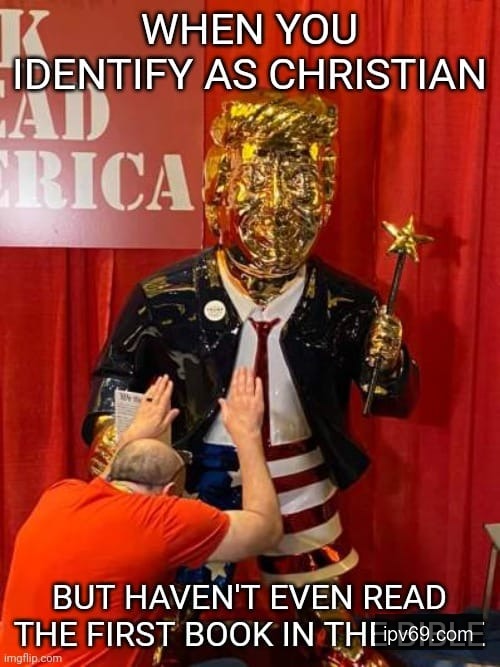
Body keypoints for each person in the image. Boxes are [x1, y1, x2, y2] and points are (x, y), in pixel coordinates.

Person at [83, 92, 417, 666]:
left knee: (320, 589)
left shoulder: (347, 303)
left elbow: (385, 398)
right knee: (178, 596)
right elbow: (116, 372)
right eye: (257, 182)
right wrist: (117, 436)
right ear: (217, 190)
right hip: (200, 471)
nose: (278, 206)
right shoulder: (167, 296)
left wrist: (387, 365)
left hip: (299, 472)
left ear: (326, 195)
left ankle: (336, 647)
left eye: (300, 183)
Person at [0, 368, 282, 667]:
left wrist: (133, 435)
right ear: (169, 492)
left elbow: (109, 478)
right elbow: (266, 529)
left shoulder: (60, 496)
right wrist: (248, 436)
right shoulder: (164, 519)